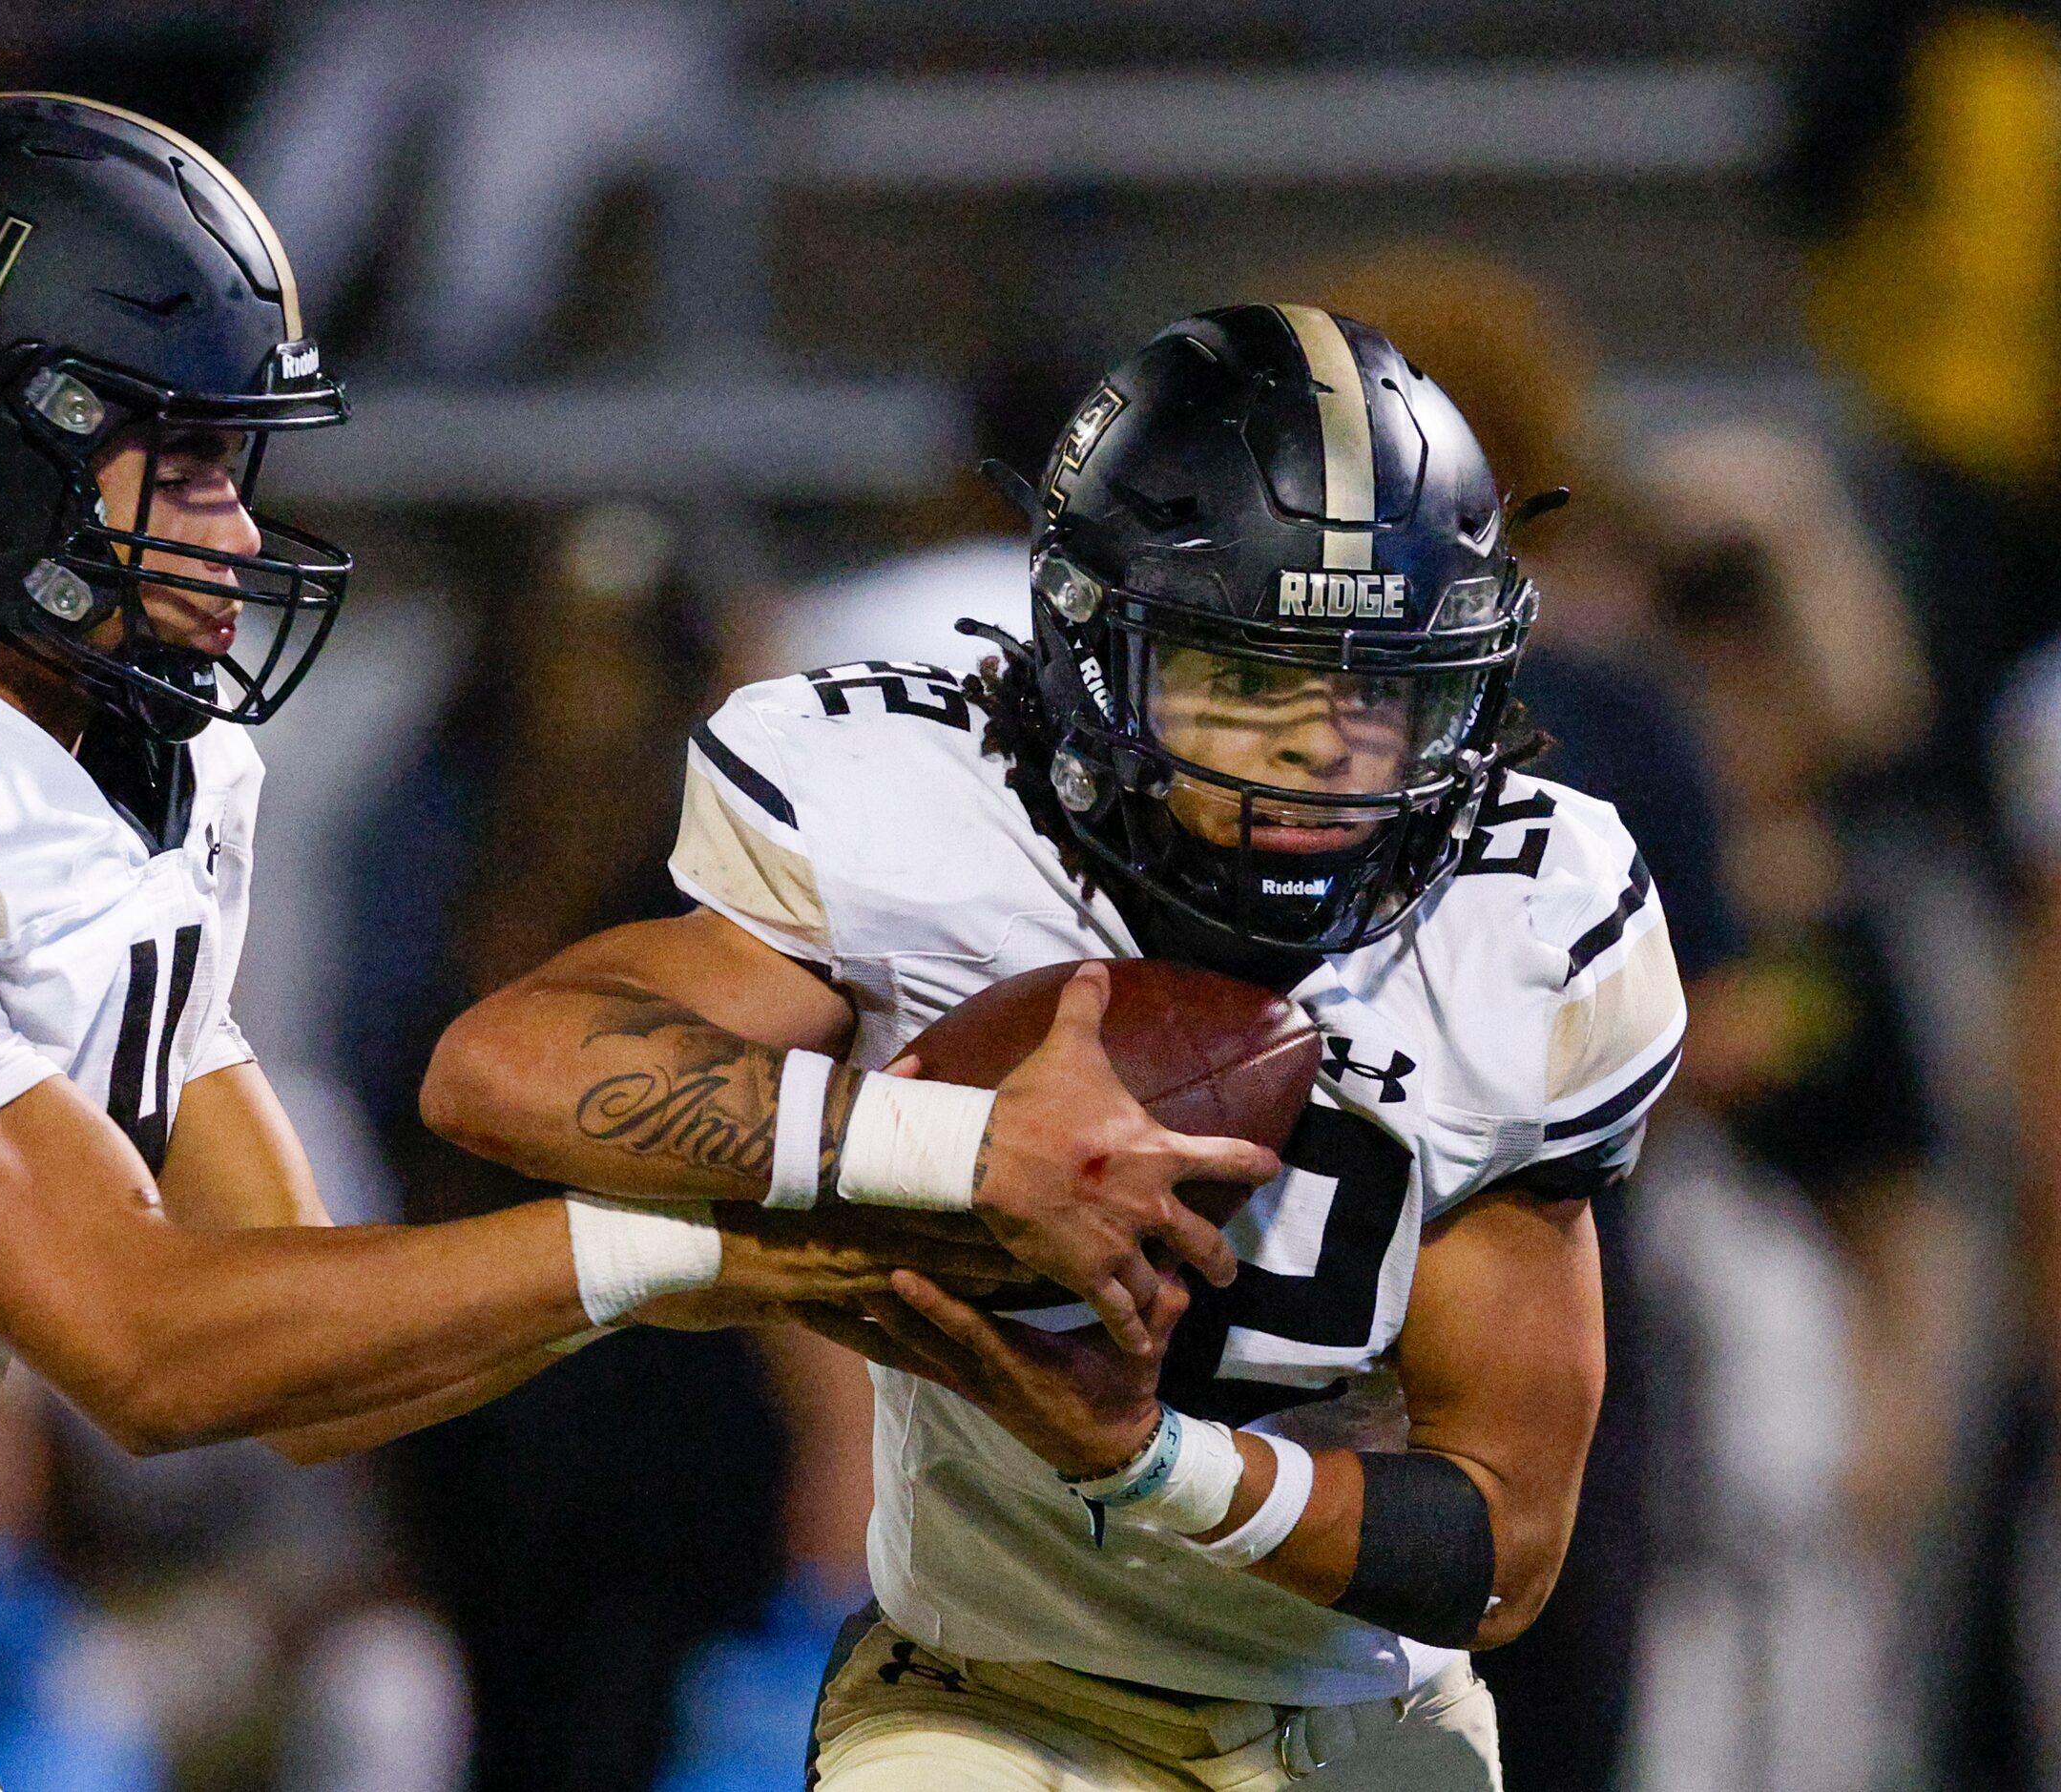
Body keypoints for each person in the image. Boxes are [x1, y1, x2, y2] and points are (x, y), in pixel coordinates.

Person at [0, 94, 1007, 1792]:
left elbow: (300, 1367)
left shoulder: (155, 753)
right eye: (191, 458)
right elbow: (147, 1344)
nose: (236, 528)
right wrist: (685, 1247)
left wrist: (725, 1239)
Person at [425, 305, 1686, 1789]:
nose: (1323, 749)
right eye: (1249, 675)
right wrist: (963, 1150)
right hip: (992, 1697)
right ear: (1095, 652)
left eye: (1380, 687)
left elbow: (1501, 1544)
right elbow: (506, 1066)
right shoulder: (937, 816)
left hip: (1359, 1714)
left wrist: (1149, 1459)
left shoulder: (1533, 914)